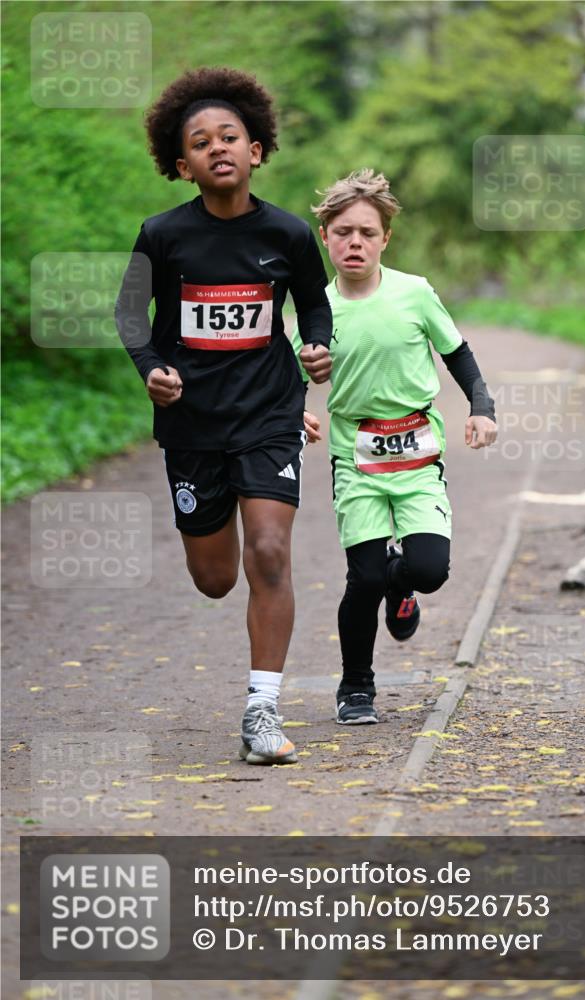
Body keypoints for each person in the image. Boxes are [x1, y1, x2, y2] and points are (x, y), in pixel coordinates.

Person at [115, 67, 332, 763]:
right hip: (194, 422)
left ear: (256, 149)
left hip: (270, 411)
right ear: (182, 166)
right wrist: (151, 367)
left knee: (268, 550)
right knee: (215, 579)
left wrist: (316, 345)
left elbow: (315, 303)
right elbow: (129, 315)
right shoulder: (162, 235)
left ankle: (261, 711)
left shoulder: (290, 234)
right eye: (201, 142)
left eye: (229, 136)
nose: (218, 148)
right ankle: (212, 555)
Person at [292, 169, 496, 725]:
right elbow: (287, 377)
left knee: (429, 568)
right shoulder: (316, 309)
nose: (354, 242)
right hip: (354, 457)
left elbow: (458, 353)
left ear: (385, 239)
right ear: (326, 238)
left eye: (366, 232)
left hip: (417, 456)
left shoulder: (414, 292)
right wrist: (298, 411)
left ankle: (402, 586)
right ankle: (356, 686)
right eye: (342, 232)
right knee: (364, 577)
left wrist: (482, 408)